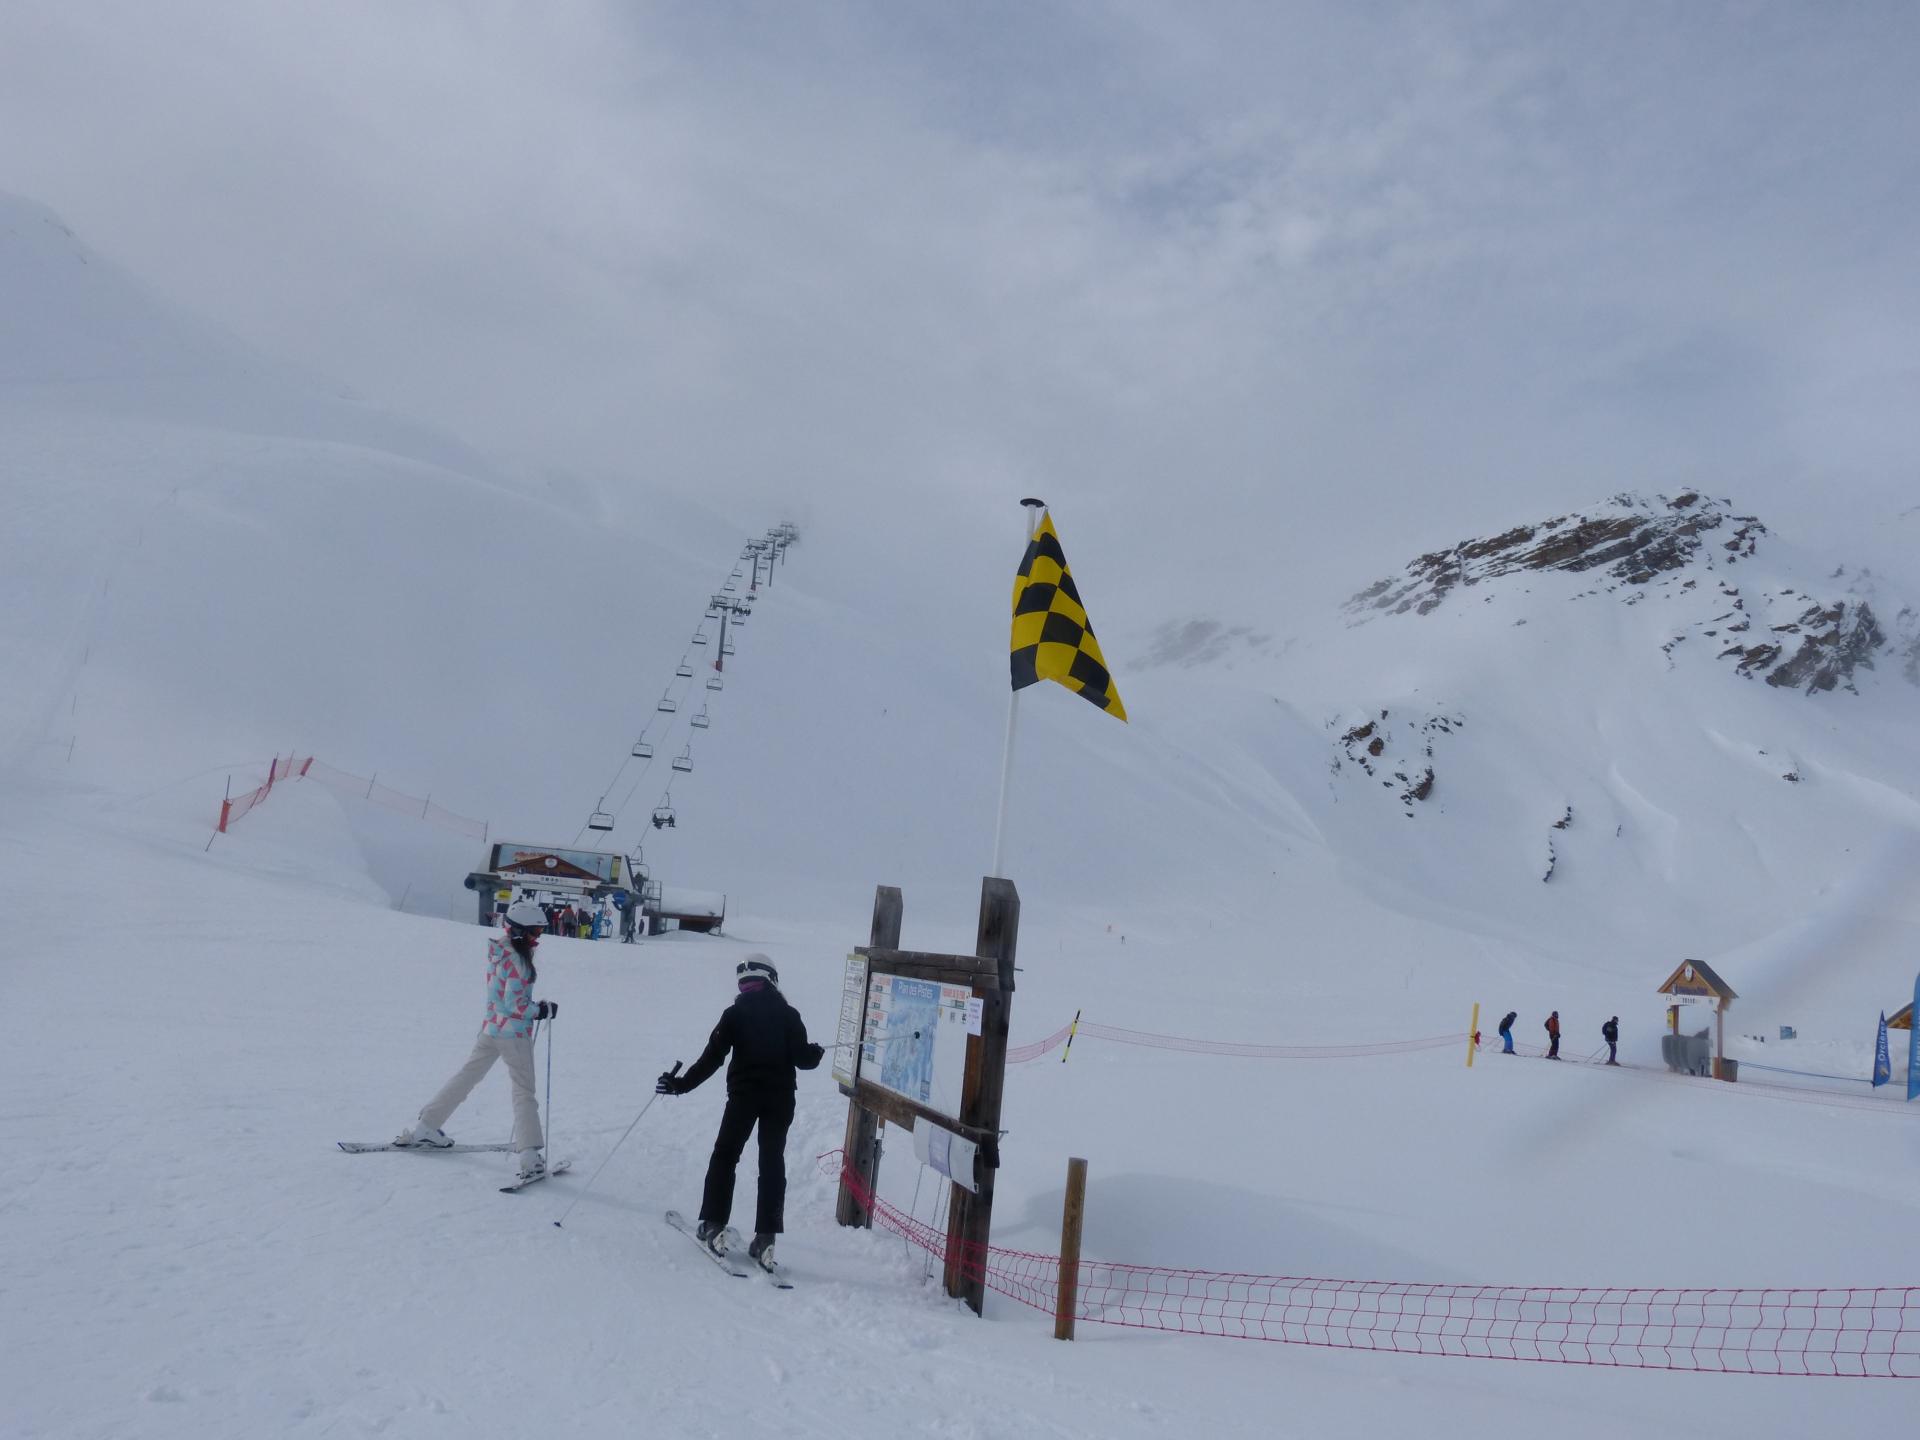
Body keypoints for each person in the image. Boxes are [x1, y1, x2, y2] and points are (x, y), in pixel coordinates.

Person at [656, 954, 824, 1269]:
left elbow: (712, 1058)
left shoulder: (734, 1014)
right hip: (780, 1100)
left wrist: (681, 1085)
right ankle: (766, 1238)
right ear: (772, 979)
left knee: (725, 1155)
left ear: (744, 983)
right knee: (772, 1162)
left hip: (744, 1097)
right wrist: (815, 1053)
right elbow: (804, 1059)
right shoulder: (789, 1015)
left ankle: (714, 1224)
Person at [394, 898, 557, 1180]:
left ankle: (427, 1127)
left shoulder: (500, 952)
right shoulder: (518, 960)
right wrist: (540, 1010)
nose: (537, 939)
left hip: (491, 1030)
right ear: (519, 931)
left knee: (466, 1077)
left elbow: (504, 996)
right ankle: (530, 1156)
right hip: (513, 1034)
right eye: (535, 932)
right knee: (523, 1090)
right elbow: (514, 1003)